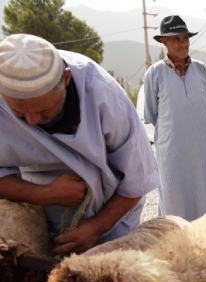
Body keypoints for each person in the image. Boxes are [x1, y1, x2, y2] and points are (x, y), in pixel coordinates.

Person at [0, 34, 159, 255]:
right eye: (18, 113)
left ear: (66, 79)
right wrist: (43, 194)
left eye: (44, 111)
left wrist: (96, 226)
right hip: (38, 220)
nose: (32, 121)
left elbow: (138, 179)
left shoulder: (104, 95)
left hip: (111, 217)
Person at [144, 15, 206, 221]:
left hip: (203, 150)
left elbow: (204, 107)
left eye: (185, 38)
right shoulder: (154, 73)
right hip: (172, 153)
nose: (183, 43)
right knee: (174, 204)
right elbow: (152, 115)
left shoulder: (201, 69)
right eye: (176, 39)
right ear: (164, 42)